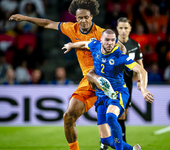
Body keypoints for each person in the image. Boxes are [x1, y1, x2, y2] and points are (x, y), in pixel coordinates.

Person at [9, 1, 126, 149]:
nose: (83, 20)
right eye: (79, 18)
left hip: (105, 76)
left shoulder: (100, 33)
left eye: (86, 17)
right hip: (88, 82)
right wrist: (25, 18)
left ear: (92, 16)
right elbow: (47, 23)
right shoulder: (71, 28)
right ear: (76, 18)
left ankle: (105, 85)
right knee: (68, 117)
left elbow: (120, 47)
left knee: (93, 76)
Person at [62, 29, 154, 150]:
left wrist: (143, 89)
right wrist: (71, 45)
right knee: (106, 140)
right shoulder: (95, 46)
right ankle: (133, 149)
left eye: (112, 40)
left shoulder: (120, 56)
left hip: (118, 93)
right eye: (107, 40)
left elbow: (141, 71)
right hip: (101, 95)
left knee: (111, 116)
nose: (110, 43)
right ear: (101, 40)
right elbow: (84, 43)